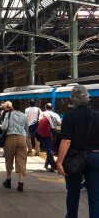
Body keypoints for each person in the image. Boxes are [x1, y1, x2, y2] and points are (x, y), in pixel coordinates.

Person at [56, 85, 99, 218]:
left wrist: (59, 162)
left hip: (75, 158)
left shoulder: (69, 117)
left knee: (73, 192)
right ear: (88, 98)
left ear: (72, 99)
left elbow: (66, 141)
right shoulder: (97, 116)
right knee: (95, 194)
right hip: (95, 157)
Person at [2, 99, 28, 192]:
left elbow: (4, 127)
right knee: (21, 160)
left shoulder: (8, 115)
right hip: (22, 139)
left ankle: (8, 180)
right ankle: (20, 183)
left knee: (9, 159)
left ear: (12, 106)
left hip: (10, 138)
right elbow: (26, 129)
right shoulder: (24, 116)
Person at [36, 103, 61, 172]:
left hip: (46, 133)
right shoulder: (56, 115)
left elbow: (40, 122)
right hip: (54, 133)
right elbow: (59, 123)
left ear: (45, 108)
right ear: (52, 108)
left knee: (48, 149)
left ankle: (54, 165)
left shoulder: (43, 114)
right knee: (50, 148)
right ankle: (47, 164)